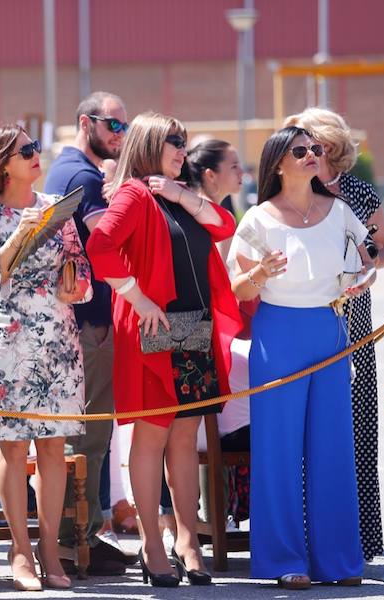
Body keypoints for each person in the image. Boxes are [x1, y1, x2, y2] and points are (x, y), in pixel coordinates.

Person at [86, 112, 241, 587]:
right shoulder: (133, 193)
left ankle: (187, 538)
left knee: (183, 436)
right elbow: (100, 245)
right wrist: (135, 294)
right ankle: (152, 542)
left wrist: (178, 192)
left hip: (191, 323)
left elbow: (223, 224)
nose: (181, 148)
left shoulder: (174, 195)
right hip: (154, 325)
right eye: (174, 141)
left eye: (184, 141)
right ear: (151, 144)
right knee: (152, 436)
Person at [228, 126, 373, 589]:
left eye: (317, 149)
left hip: (328, 329)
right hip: (279, 332)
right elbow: (238, 289)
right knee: (279, 451)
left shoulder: (341, 211)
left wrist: (364, 278)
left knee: (332, 447)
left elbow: (367, 261)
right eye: (301, 150)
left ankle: (338, 561)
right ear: (278, 163)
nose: (313, 155)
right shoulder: (258, 219)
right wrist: (259, 273)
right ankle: (283, 560)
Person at [0, 124, 91, 591]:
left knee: (56, 448)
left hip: (59, 337)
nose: (37, 155)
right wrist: (19, 235)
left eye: (36, 148)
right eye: (27, 150)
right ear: (3, 164)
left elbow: (82, 273)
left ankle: (48, 549)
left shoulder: (56, 209)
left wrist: (76, 286)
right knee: (14, 448)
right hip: (13, 340)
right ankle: (19, 549)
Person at [284, 107, 384, 562]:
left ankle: (361, 535)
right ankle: (305, 533)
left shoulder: (358, 193)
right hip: (298, 313)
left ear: (324, 147)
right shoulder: (290, 190)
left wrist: (372, 259)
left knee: (358, 420)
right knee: (304, 422)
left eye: (307, 144)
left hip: (352, 315)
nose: (301, 152)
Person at [42, 91, 134, 576]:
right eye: (113, 126)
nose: (121, 135)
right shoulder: (81, 176)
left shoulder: (66, 170)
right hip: (90, 326)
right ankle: (77, 539)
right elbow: (108, 244)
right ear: (86, 122)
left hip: (78, 323)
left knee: (83, 436)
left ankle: (76, 535)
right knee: (91, 436)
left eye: (124, 126)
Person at [158, 137, 244, 534]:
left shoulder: (208, 207)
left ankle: (194, 527)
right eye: (234, 166)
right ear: (210, 174)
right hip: (169, 323)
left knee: (190, 427)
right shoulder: (164, 201)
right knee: (161, 431)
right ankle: (169, 524)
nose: (242, 173)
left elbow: (223, 228)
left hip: (200, 325)